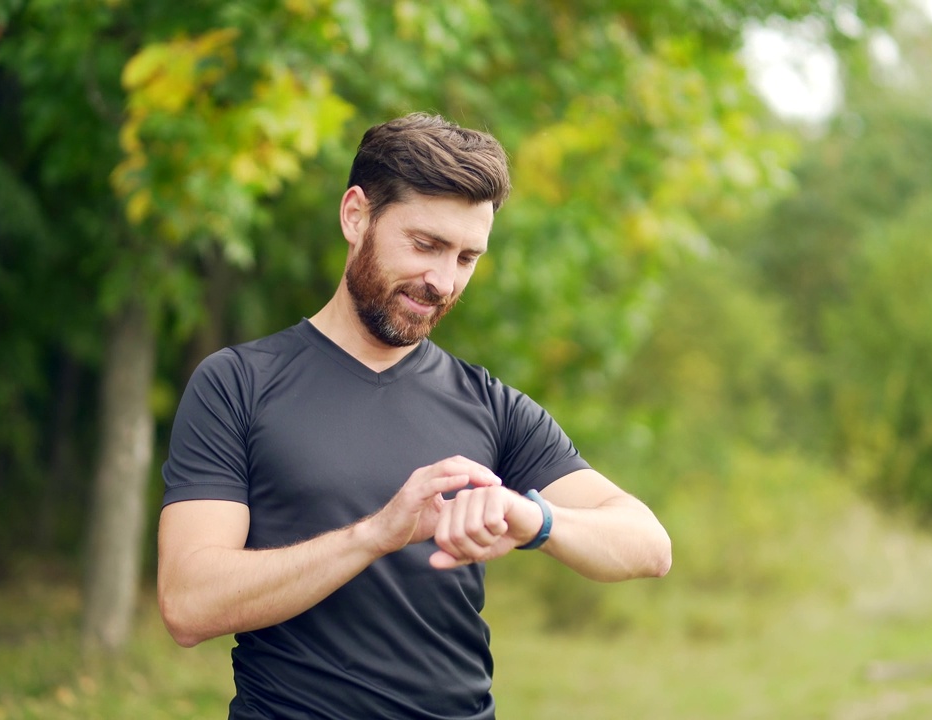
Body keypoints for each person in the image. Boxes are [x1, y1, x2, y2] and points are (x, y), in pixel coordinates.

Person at [157, 112, 672, 719]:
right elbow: (189, 604)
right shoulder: (237, 383)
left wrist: (532, 517)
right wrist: (377, 535)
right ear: (356, 216)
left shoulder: (489, 403)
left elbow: (649, 545)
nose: (442, 281)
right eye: (425, 245)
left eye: (466, 258)